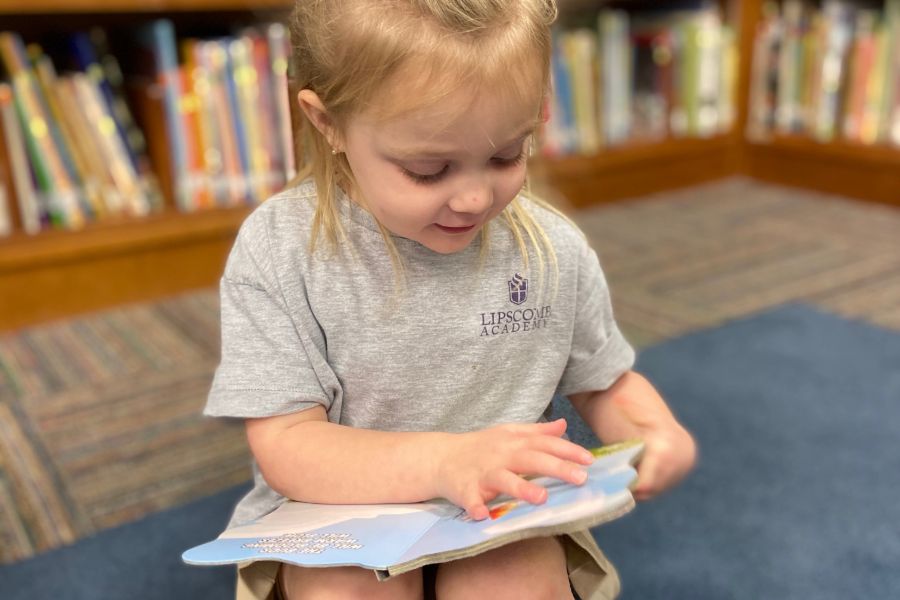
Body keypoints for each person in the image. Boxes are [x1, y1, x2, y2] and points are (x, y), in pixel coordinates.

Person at [205, 1, 697, 598]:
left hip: (505, 509)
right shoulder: (281, 251)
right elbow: (288, 445)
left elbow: (603, 380)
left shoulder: (552, 251)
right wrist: (444, 463)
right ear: (327, 121)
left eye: (505, 155)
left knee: (513, 587)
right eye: (428, 168)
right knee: (344, 593)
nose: (472, 198)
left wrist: (656, 431)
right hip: (340, 504)